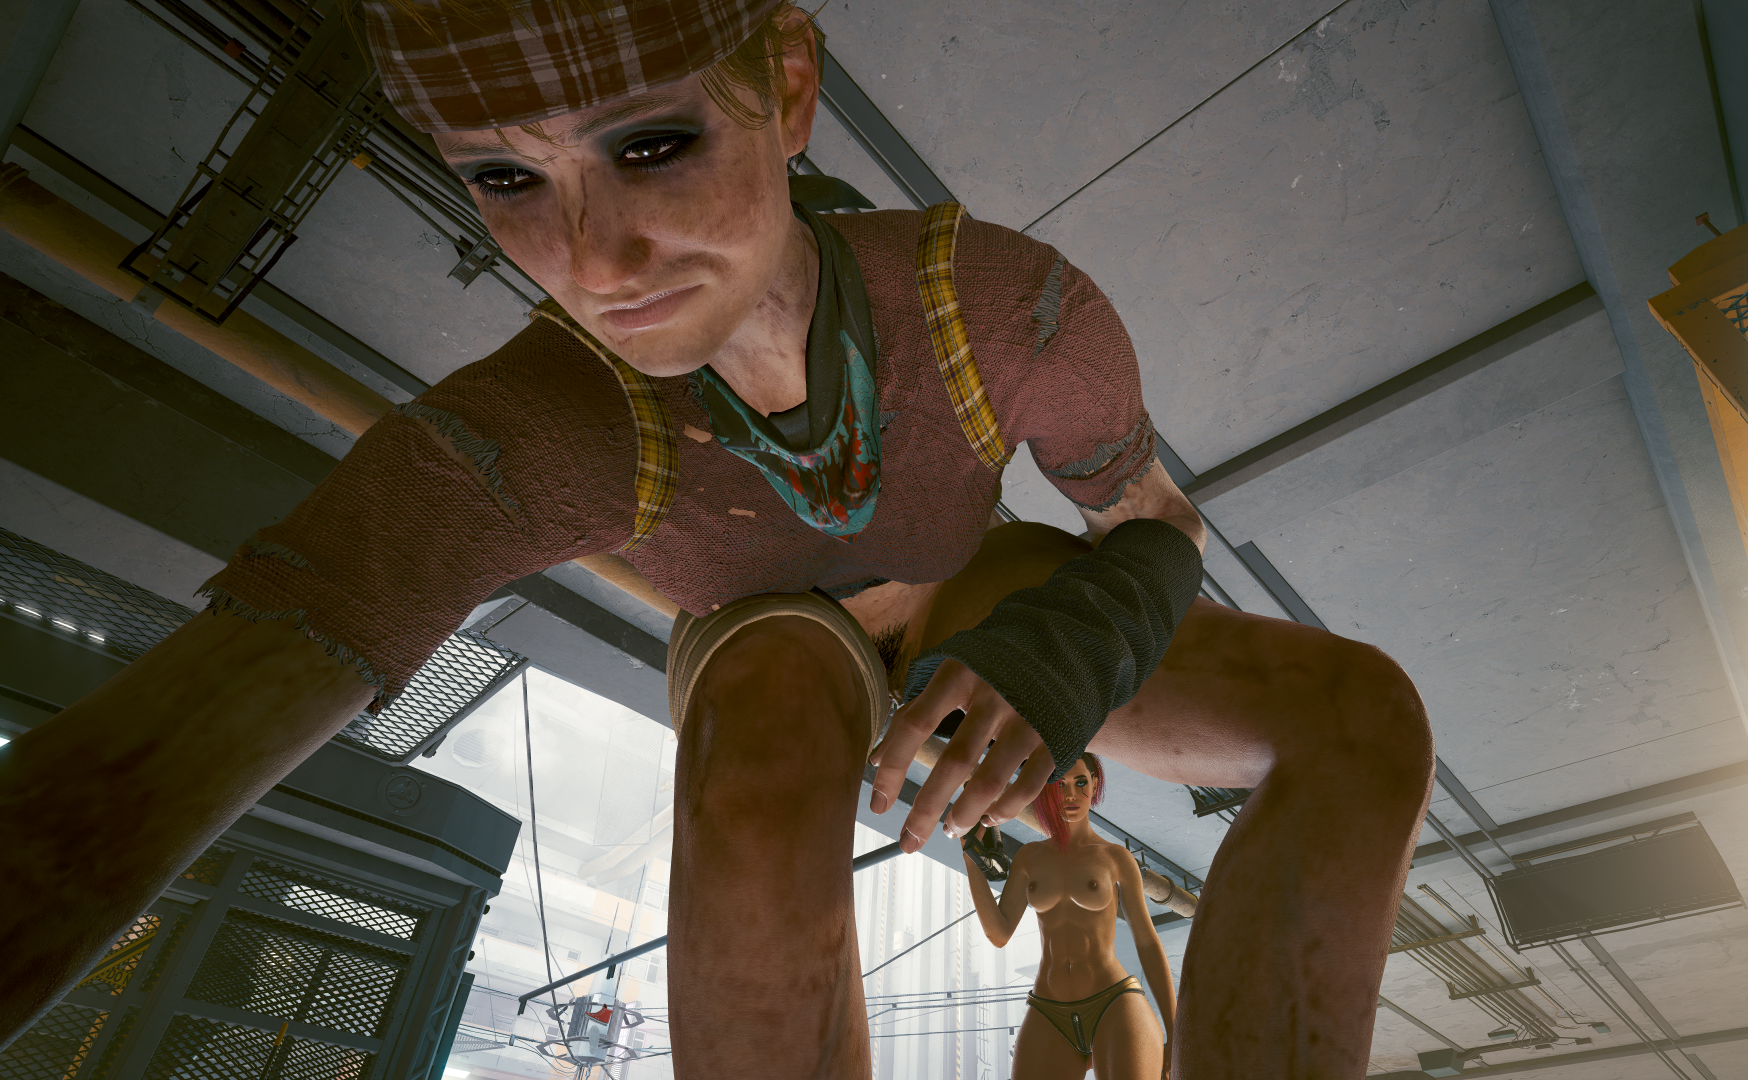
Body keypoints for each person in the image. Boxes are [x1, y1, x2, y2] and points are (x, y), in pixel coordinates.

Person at [0, 1, 1434, 1076]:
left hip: (978, 586)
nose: (593, 260)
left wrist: (1073, 648)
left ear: (789, 86)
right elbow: (130, 783)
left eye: (652, 145)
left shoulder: (1002, 314)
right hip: (772, 635)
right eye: (505, 179)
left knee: (1362, 717)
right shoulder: (533, 433)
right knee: (757, 767)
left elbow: (1159, 525)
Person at [964, 754, 1176, 1080]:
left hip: (1114, 1001)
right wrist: (969, 855)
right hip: (1048, 1010)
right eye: (1059, 785)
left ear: (1095, 783)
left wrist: (1175, 1029)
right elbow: (999, 933)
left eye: (1080, 783)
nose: (1071, 795)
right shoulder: (1029, 857)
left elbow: (1147, 942)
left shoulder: (1115, 858)